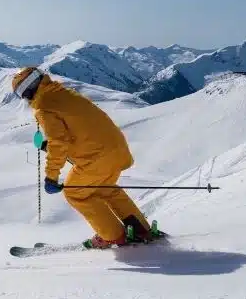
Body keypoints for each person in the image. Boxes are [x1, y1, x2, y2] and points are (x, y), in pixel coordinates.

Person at [11, 67, 154, 248]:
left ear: (27, 91)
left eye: (21, 94)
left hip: (97, 158)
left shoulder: (44, 106)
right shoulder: (65, 93)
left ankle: (113, 235)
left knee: (74, 192)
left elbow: (59, 142)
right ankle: (141, 229)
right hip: (117, 150)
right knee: (105, 188)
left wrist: (51, 176)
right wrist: (47, 146)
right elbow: (79, 134)